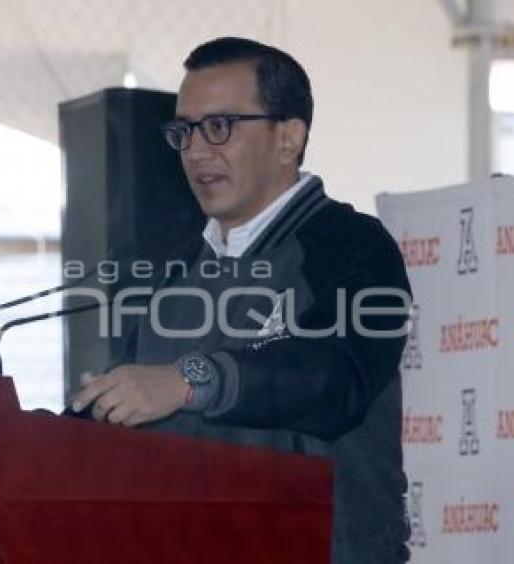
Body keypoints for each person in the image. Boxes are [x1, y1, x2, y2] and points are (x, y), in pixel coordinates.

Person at [70, 37, 412, 564]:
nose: (196, 151)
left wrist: (190, 381)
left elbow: (336, 381)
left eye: (219, 127)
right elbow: (129, 418)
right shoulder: (173, 277)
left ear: (288, 138)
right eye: (183, 131)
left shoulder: (353, 247)